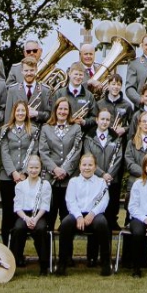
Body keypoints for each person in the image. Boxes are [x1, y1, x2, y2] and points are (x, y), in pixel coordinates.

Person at [57, 153, 111, 277]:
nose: (87, 168)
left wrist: (92, 214)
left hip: (95, 215)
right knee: (65, 224)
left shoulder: (101, 182)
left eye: (90, 165)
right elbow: (70, 201)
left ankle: (105, 263)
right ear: (80, 166)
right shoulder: (73, 182)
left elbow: (104, 201)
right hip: (77, 214)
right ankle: (62, 263)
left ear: (95, 167)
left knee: (102, 224)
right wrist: (78, 216)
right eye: (84, 165)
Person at [39, 97, 84, 228]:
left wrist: (65, 170)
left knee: (67, 219)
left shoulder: (76, 128)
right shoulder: (46, 128)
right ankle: (47, 248)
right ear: (55, 110)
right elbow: (43, 152)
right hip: (50, 178)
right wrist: (55, 169)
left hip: (68, 179)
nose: (63, 111)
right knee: (48, 218)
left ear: (69, 111)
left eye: (65, 109)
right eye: (60, 108)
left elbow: (77, 151)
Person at [0, 100, 38, 245]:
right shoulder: (5, 130)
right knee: (8, 214)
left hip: (26, 178)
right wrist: (14, 173)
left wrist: (24, 174)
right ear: (13, 113)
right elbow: (4, 152)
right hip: (8, 178)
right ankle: (5, 249)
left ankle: (18, 251)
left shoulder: (33, 130)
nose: (20, 113)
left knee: (21, 215)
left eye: (23, 111)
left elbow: (34, 152)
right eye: (18, 111)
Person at [10, 155, 52, 273]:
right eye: (31, 167)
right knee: (18, 229)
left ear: (40, 168)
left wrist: (35, 218)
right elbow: (17, 207)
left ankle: (44, 265)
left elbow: (45, 205)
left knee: (41, 229)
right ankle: (14, 263)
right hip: (24, 215)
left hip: (39, 214)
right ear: (26, 168)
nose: (33, 170)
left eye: (36, 168)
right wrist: (27, 219)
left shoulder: (45, 184)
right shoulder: (20, 185)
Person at [87, 107, 126, 231]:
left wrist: (109, 174)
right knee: (95, 217)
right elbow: (88, 159)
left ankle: (106, 249)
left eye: (107, 120)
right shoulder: (88, 137)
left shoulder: (116, 137)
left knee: (109, 216)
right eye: (102, 119)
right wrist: (102, 174)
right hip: (94, 180)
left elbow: (119, 157)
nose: (104, 122)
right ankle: (92, 250)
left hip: (111, 181)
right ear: (97, 120)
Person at [4, 62, 53, 127]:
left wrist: (37, 114)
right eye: (26, 70)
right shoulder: (13, 89)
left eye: (32, 70)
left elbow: (50, 116)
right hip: (16, 134)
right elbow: (8, 116)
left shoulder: (45, 90)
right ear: (22, 71)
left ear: (36, 70)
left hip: (37, 133)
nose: (29, 73)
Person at [125, 32, 147, 107]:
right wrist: (139, 99)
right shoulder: (134, 63)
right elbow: (129, 88)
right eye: (146, 45)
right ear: (142, 46)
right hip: (143, 108)